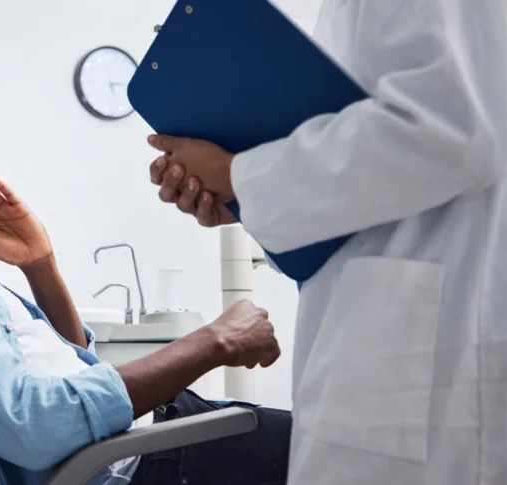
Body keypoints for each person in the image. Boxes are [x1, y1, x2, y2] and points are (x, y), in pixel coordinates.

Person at [0, 81, 291, 485]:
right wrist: (214, 341)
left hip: (157, 435)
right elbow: (34, 424)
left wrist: (40, 265)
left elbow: (70, 368)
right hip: (147, 461)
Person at [146, 1, 507, 484]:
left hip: (421, 351)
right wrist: (240, 199)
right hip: (379, 334)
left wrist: (241, 177)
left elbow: (452, 129)